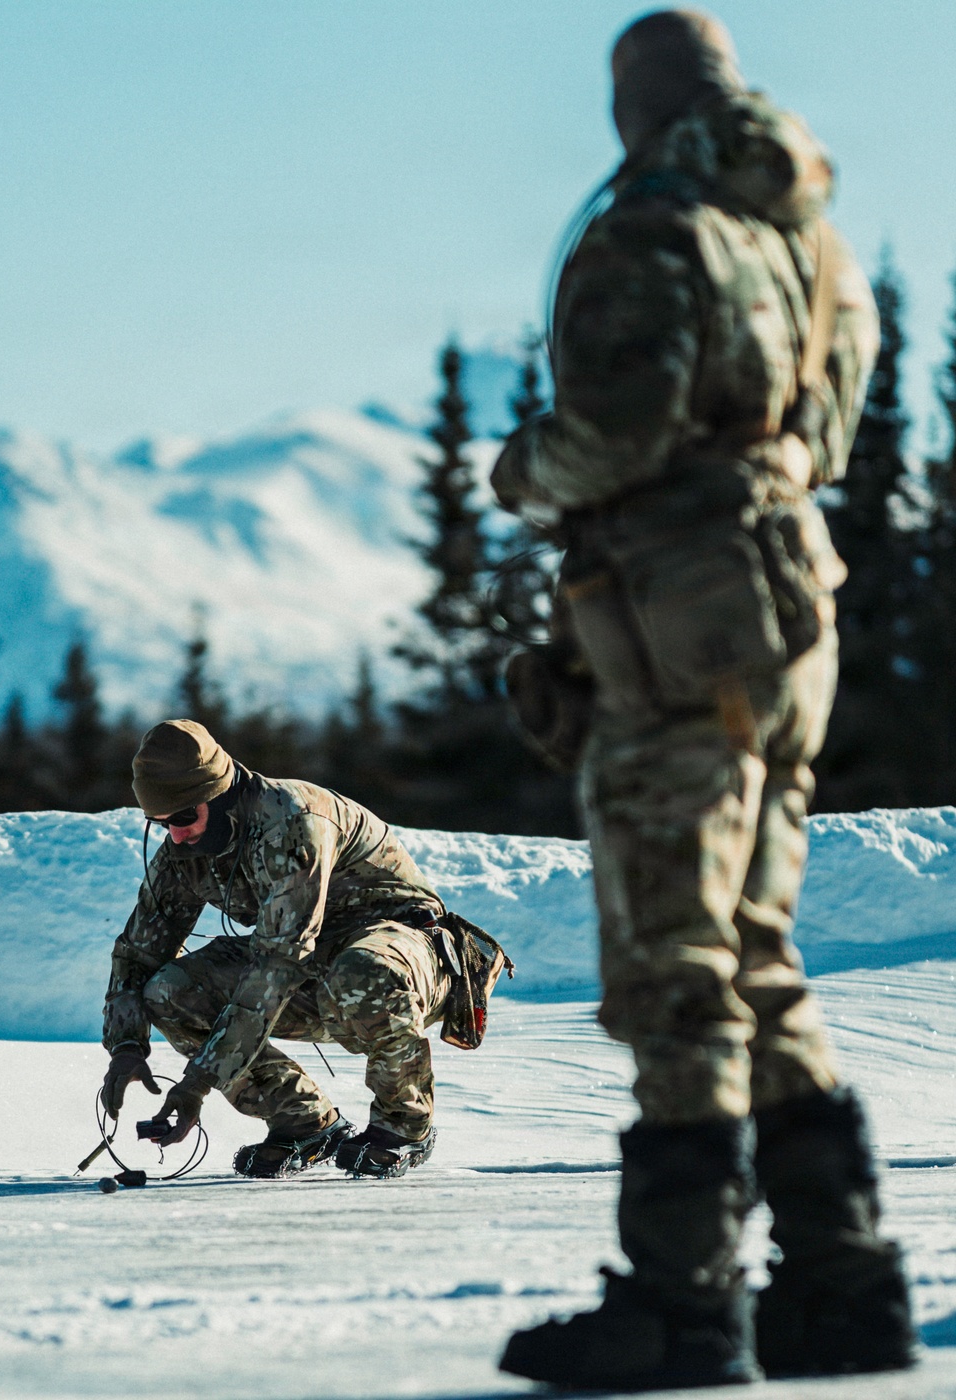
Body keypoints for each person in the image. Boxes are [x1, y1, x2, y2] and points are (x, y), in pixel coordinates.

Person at [492, 9, 916, 1390]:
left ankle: (683, 1305)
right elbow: (834, 431)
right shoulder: (811, 240)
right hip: (794, 594)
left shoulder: (654, 226)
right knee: (752, 946)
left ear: (638, 104)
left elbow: (615, 431)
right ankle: (842, 1287)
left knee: (674, 956)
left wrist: (523, 473)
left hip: (676, 608)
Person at [100, 718, 454, 1179]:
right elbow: (139, 951)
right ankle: (303, 1121)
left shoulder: (292, 822)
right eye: (160, 823)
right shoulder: (183, 848)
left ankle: (404, 1125)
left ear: (219, 795)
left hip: (403, 955)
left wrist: (198, 1084)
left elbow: (277, 966)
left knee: (362, 970)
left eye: (184, 818)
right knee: (170, 991)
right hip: (309, 966)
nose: (176, 835)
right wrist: (126, 1045)